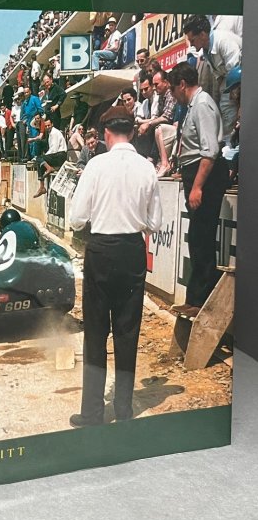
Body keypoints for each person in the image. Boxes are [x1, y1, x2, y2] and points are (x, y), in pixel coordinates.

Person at [69, 107, 162, 426]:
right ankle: (123, 409)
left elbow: (77, 218)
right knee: (127, 331)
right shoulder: (147, 168)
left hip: (102, 249)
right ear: (133, 132)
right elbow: (154, 223)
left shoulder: (96, 165)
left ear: (106, 133)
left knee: (95, 333)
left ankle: (93, 411)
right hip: (132, 251)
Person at [167, 62, 229, 317]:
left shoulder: (202, 104)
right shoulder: (195, 105)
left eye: (173, 90)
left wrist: (198, 187)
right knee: (197, 238)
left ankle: (201, 301)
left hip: (205, 175)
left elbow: (210, 151)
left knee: (202, 238)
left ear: (182, 84)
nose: (173, 96)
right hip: (195, 171)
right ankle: (196, 298)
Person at [33, 118, 67, 197]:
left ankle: (49, 168)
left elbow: (54, 149)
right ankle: (42, 187)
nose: (47, 127)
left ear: (52, 124)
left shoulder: (54, 133)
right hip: (57, 155)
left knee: (39, 158)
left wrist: (43, 157)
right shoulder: (50, 133)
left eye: (49, 125)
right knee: (40, 162)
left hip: (60, 156)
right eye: (46, 126)